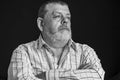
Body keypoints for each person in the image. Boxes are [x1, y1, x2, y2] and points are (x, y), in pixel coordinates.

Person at [8, 0, 105, 80]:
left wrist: (47, 76)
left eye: (68, 17)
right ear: (41, 24)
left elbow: (98, 75)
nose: (65, 21)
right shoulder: (23, 52)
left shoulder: (85, 51)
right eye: (58, 16)